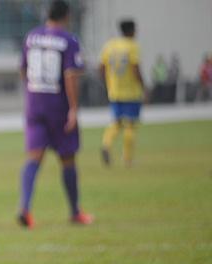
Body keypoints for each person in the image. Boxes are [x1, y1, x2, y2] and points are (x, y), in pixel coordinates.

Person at [17, 0, 93, 228]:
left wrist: (31, 94)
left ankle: (25, 209)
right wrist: (73, 108)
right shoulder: (68, 40)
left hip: (34, 103)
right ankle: (75, 211)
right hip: (57, 105)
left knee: (34, 158)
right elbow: (70, 75)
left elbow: (22, 69)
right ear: (67, 16)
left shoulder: (31, 37)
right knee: (67, 158)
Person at [98, 20, 145, 167]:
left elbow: (101, 67)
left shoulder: (110, 45)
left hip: (115, 91)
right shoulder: (132, 46)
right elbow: (135, 68)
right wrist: (143, 86)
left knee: (117, 122)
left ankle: (106, 144)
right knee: (130, 124)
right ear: (131, 31)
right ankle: (127, 159)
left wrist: (107, 83)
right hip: (131, 92)